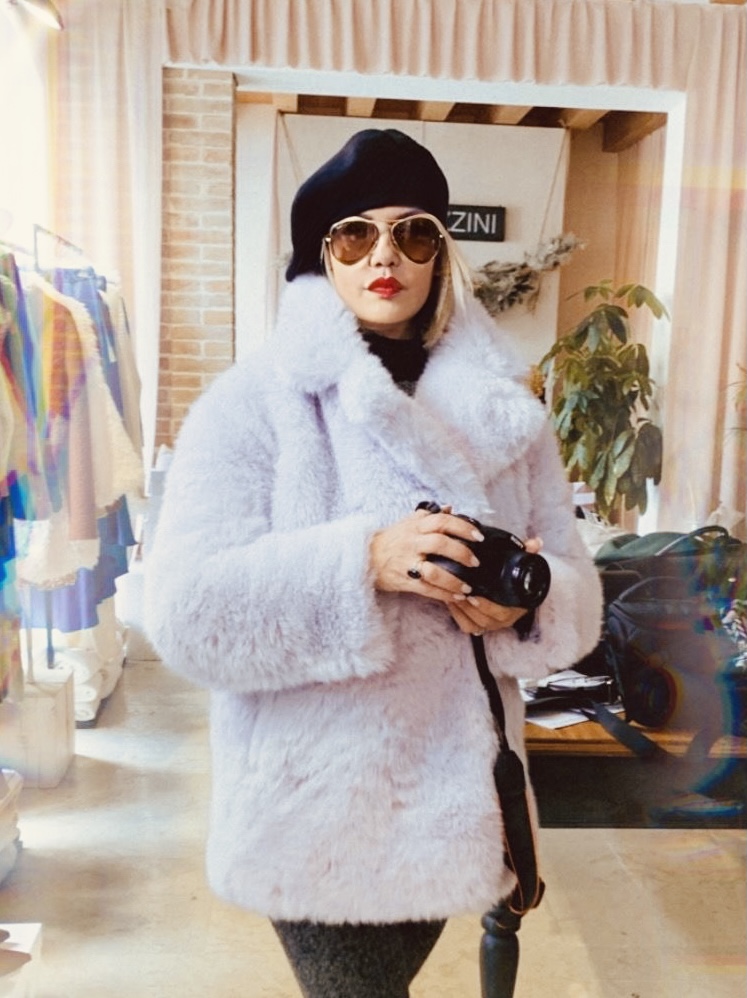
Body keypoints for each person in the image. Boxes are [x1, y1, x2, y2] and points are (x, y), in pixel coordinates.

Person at [145, 128, 603, 997]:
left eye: (412, 233)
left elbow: (574, 586)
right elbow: (183, 610)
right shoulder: (252, 405)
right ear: (319, 257)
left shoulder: (506, 413)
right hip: (318, 804)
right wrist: (361, 561)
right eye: (354, 235)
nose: (384, 255)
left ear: (438, 254)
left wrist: (528, 607)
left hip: (457, 795)